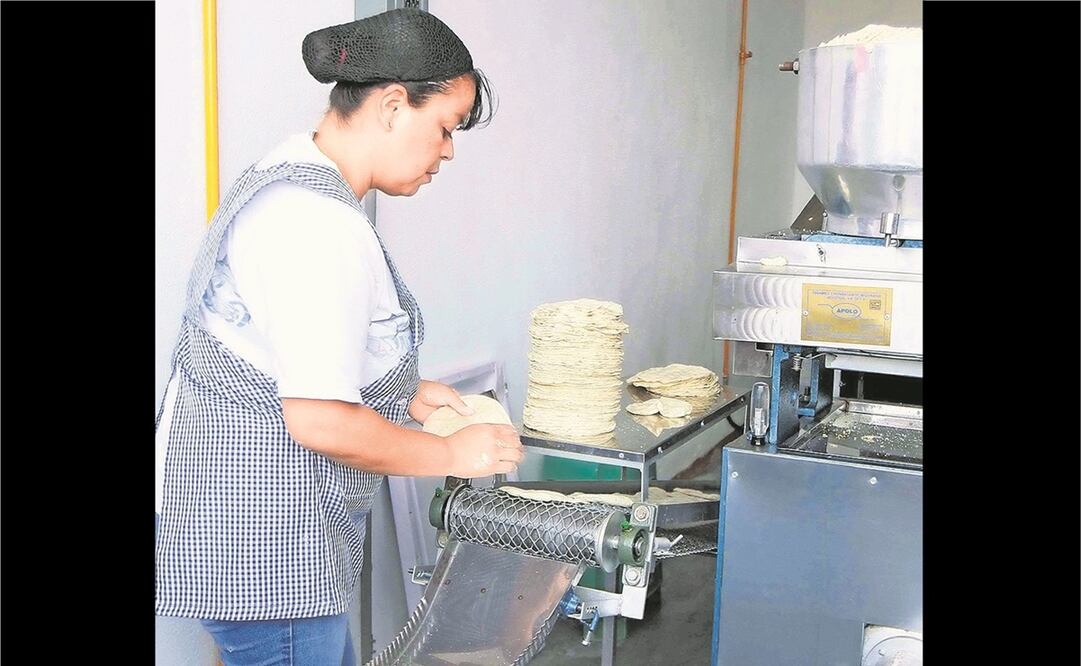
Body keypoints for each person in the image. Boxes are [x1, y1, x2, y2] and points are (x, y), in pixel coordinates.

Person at [154, 8, 523, 664]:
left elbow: (276, 354)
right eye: (443, 127)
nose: (448, 150)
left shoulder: (290, 174)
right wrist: (453, 455)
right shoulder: (315, 225)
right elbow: (320, 422)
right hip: (265, 551)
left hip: (250, 533)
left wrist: (404, 394)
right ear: (390, 105)